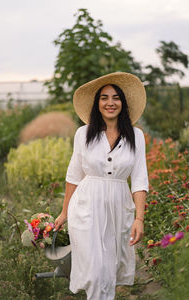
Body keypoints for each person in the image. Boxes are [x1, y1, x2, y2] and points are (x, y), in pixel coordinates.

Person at [54, 72, 149, 300]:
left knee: (108, 272)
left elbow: (139, 179)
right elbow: (74, 175)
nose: (110, 103)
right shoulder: (83, 134)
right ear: (97, 104)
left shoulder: (136, 136)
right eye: (104, 98)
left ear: (123, 104)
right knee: (95, 272)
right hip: (86, 207)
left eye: (116, 98)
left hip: (118, 208)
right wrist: (65, 212)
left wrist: (139, 218)